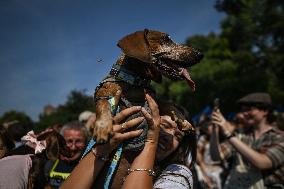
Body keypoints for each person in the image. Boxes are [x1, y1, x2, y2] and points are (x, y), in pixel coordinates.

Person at [60, 92, 196, 189]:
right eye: (165, 125)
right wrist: (103, 149)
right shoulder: (113, 154)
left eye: (178, 136)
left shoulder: (177, 174)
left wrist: (150, 142)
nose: (170, 137)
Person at [211, 92, 284, 189]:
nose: (244, 113)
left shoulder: (279, 137)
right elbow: (217, 156)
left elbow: (262, 162)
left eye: (249, 109)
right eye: (243, 110)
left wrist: (229, 134)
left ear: (265, 111)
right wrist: (215, 128)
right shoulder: (241, 135)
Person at [44, 121, 89, 189]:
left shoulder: (89, 167)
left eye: (78, 141)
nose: (73, 147)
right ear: (61, 142)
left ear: (86, 143)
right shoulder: (50, 164)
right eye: (69, 141)